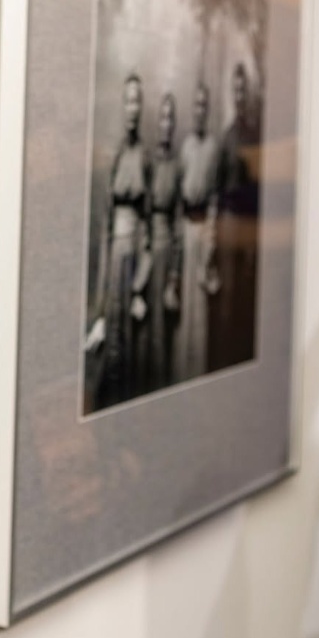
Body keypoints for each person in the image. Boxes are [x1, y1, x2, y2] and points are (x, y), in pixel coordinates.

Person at [85, 73, 152, 410]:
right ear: (122, 105)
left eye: (137, 101)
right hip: (114, 259)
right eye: (128, 100)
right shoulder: (113, 155)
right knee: (109, 341)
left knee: (132, 347)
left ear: (142, 107)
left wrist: (141, 282)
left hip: (134, 256)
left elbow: (148, 223)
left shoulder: (146, 157)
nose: (132, 108)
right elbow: (106, 224)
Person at [211, 63, 261, 370]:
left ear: (248, 94)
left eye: (243, 90)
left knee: (245, 296)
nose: (239, 96)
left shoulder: (253, 136)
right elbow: (218, 191)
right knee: (226, 299)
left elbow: (257, 191)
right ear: (231, 93)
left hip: (248, 226)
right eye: (236, 90)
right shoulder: (227, 137)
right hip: (228, 226)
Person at [173, 81, 219, 382]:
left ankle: (197, 375)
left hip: (203, 231)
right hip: (186, 229)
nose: (200, 111)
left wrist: (209, 246)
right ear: (192, 110)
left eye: (204, 105)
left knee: (200, 310)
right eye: (196, 105)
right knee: (184, 312)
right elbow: (180, 198)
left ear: (208, 110)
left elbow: (214, 198)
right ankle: (180, 378)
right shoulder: (186, 147)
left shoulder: (212, 148)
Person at [146, 93, 182, 391]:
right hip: (147, 252)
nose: (166, 124)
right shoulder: (149, 162)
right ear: (157, 123)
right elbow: (144, 212)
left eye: (171, 118)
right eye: (163, 118)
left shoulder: (176, 166)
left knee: (163, 333)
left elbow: (178, 221)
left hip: (167, 250)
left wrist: (174, 276)